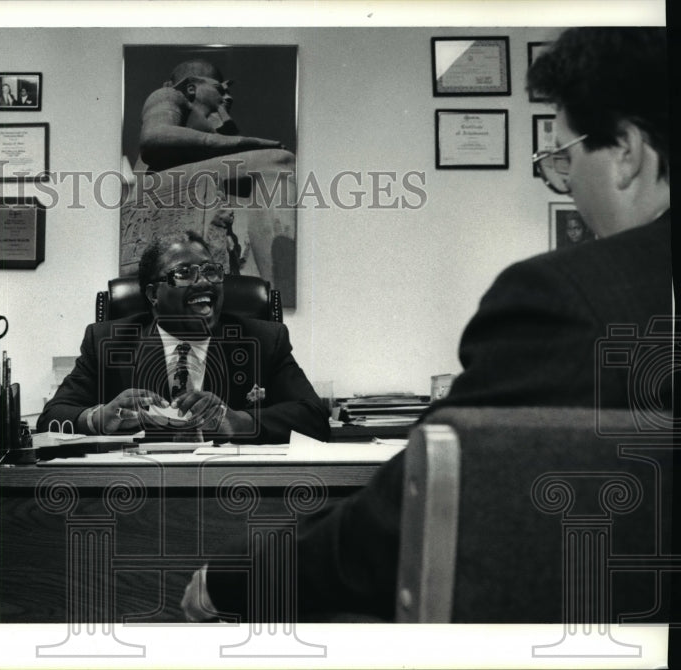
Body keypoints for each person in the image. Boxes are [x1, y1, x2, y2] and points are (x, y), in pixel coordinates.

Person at [182, 27, 671, 622]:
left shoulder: (568, 295)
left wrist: (233, 581)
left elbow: (418, 513)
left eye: (563, 158)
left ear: (627, 152)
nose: (564, 186)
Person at [37, 230, 329, 444]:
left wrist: (242, 422)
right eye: (185, 273)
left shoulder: (263, 340)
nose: (203, 281)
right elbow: (52, 417)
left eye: (211, 271)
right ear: (153, 294)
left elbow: (315, 418)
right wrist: (98, 418)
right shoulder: (107, 342)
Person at [134, 59, 297, 301]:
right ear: (191, 88)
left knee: (278, 166)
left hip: (188, 183)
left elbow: (241, 178)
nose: (228, 96)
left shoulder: (213, 123)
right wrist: (250, 142)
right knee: (277, 162)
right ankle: (279, 295)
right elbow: (153, 139)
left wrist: (226, 125)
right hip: (154, 187)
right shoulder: (169, 96)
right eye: (220, 89)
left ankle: (272, 288)